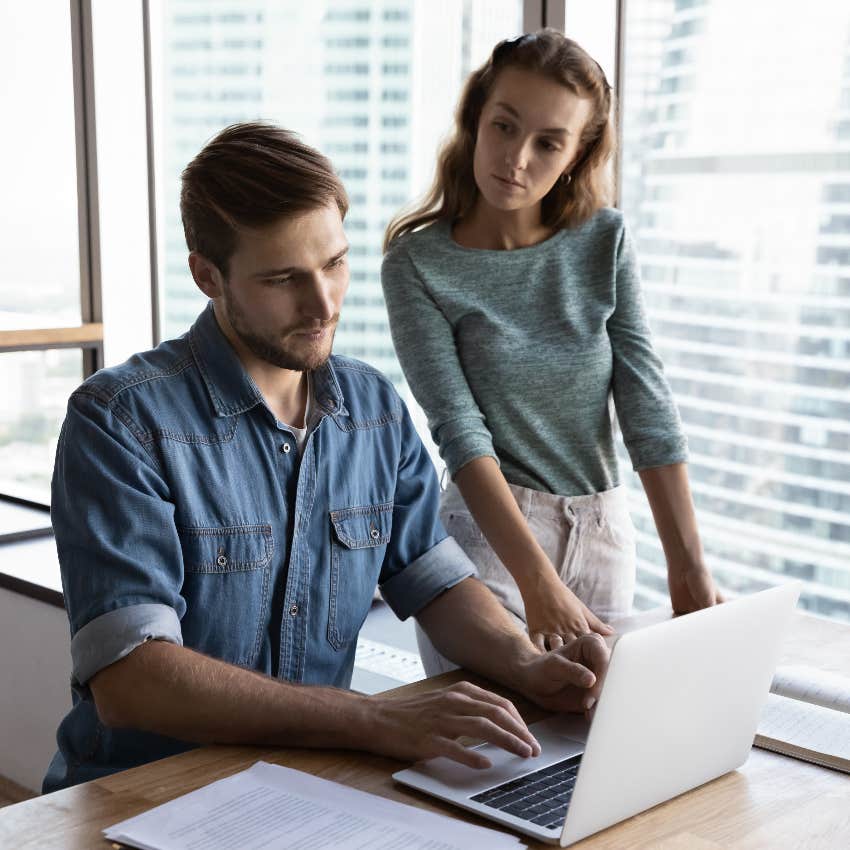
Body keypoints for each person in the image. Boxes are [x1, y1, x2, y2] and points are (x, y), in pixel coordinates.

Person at [43, 122, 609, 793]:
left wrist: (526, 663)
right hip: (142, 793)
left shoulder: (373, 406)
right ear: (207, 276)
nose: (323, 305)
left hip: (310, 789)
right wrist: (373, 719)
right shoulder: (120, 422)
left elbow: (436, 580)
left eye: (335, 264)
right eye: (284, 278)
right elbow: (132, 681)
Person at [381, 31, 722, 675]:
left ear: (577, 154)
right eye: (503, 127)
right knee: (489, 756)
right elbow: (459, 431)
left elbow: (646, 406)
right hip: (489, 543)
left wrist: (689, 568)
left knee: (596, 756)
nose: (516, 158)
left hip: (604, 536)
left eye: (547, 143)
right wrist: (538, 584)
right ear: (476, 118)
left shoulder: (603, 241)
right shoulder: (418, 264)